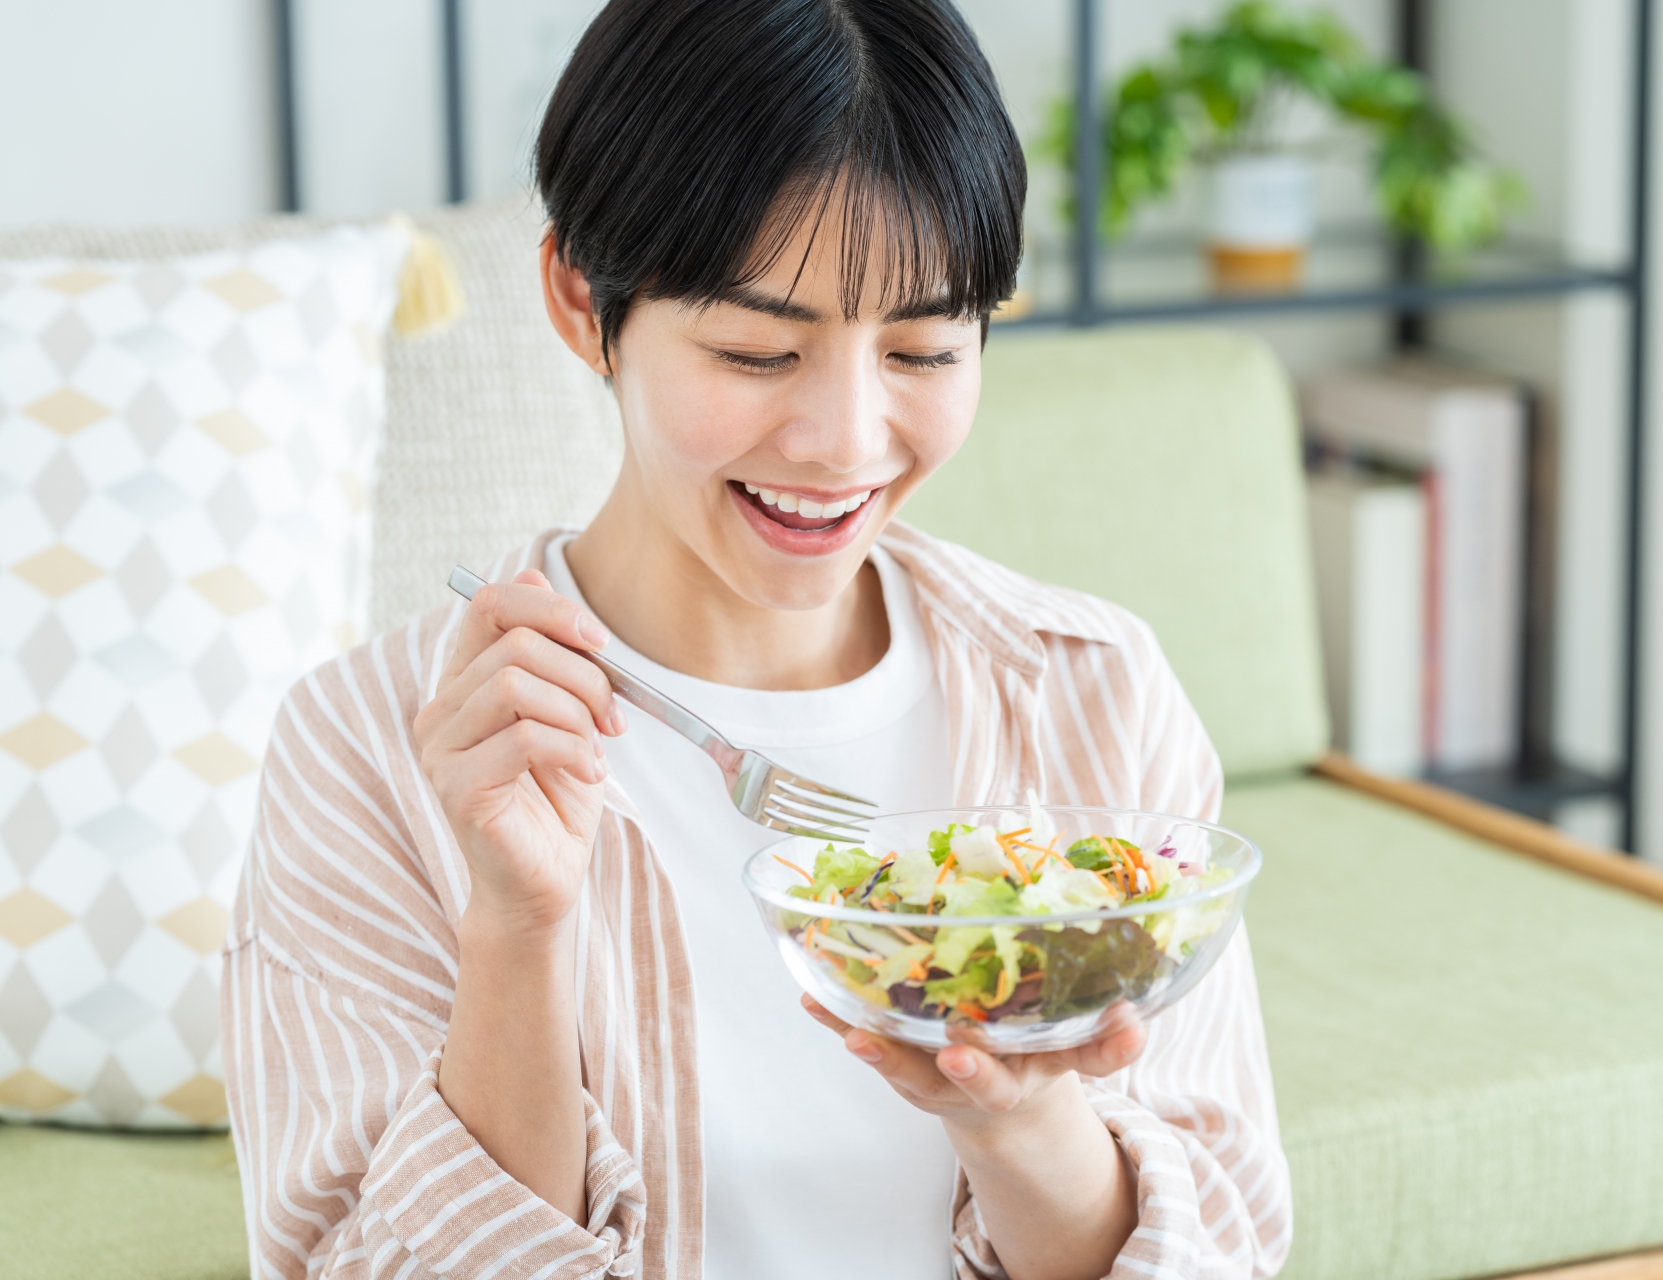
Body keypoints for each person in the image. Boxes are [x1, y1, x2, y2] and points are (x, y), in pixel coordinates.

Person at [220, 2, 1290, 1277]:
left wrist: (1016, 1117)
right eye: (758, 350)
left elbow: (1219, 1242)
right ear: (580, 298)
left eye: (925, 347)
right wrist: (517, 928)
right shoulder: (372, 748)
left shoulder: (1092, 693)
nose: (844, 439)